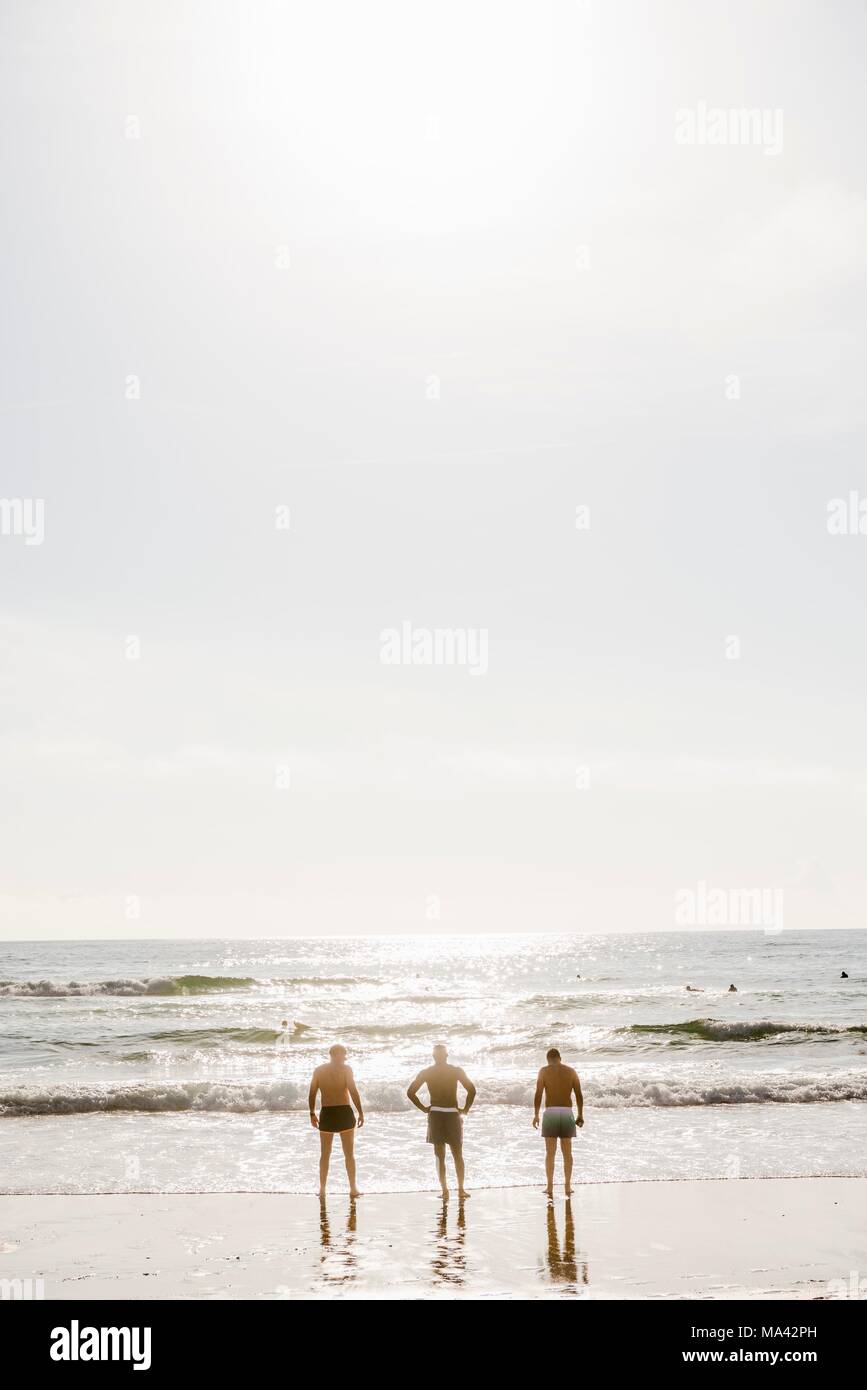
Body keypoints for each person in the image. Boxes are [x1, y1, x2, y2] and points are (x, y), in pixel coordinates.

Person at [407, 1044, 476, 1200]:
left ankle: (445, 1191)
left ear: (433, 1057)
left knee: (440, 1155)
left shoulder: (427, 1073)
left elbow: (410, 1093)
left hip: (435, 1114)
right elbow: (472, 1090)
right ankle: (461, 1190)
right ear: (446, 1055)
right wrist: (465, 1110)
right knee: (457, 1154)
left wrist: (424, 1108)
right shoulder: (456, 1071)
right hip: (453, 1114)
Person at [308, 1044, 364, 1199]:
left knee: (345, 1154)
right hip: (340, 1112)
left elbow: (313, 1092)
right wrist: (312, 1113)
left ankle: (350, 1188)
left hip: (333, 1113)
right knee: (328, 1154)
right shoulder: (346, 1069)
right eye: (342, 1054)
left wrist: (360, 1111)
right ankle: (324, 1188)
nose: (343, 1057)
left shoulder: (320, 1070)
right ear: (334, 1054)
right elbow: (312, 1093)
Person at [533, 1048, 584, 1199]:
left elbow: (538, 1094)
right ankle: (568, 1186)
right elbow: (579, 1095)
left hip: (551, 1113)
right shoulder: (571, 1071)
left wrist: (536, 1115)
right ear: (560, 1058)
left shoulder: (543, 1071)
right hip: (567, 1113)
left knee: (550, 1153)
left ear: (548, 1059)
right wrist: (580, 1114)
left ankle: (549, 1187)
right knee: (567, 1153)